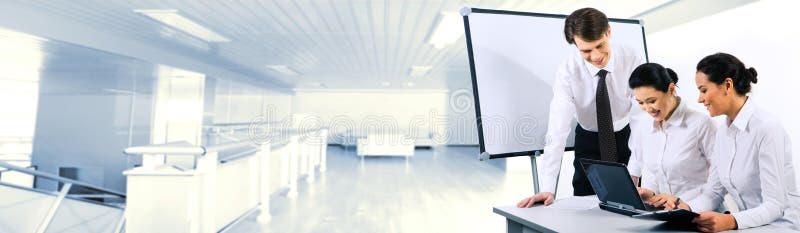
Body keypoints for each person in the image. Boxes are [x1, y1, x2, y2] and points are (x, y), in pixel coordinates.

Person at [517, 7, 645, 207]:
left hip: (626, 139)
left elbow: (641, 120)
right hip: (588, 142)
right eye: (586, 50)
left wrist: (635, 169)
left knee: (631, 208)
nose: (596, 56)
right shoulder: (568, 72)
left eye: (600, 46)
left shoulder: (632, 60)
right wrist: (547, 188)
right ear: (575, 45)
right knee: (585, 208)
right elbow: (557, 130)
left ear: (608, 32)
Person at [670, 53, 800, 232]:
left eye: (703, 90)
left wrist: (731, 221)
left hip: (781, 226)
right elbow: (714, 193)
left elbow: (775, 205)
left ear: (727, 85)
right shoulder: (723, 133)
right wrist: (685, 209)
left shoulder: (767, 128)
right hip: (749, 225)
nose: (699, 99)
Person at [625, 63, 716, 210]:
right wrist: (644, 194)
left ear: (671, 89)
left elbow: (719, 181)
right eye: (641, 103)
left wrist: (687, 206)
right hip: (660, 213)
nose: (647, 109)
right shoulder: (643, 125)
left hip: (699, 213)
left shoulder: (701, 124)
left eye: (652, 101)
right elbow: (637, 160)